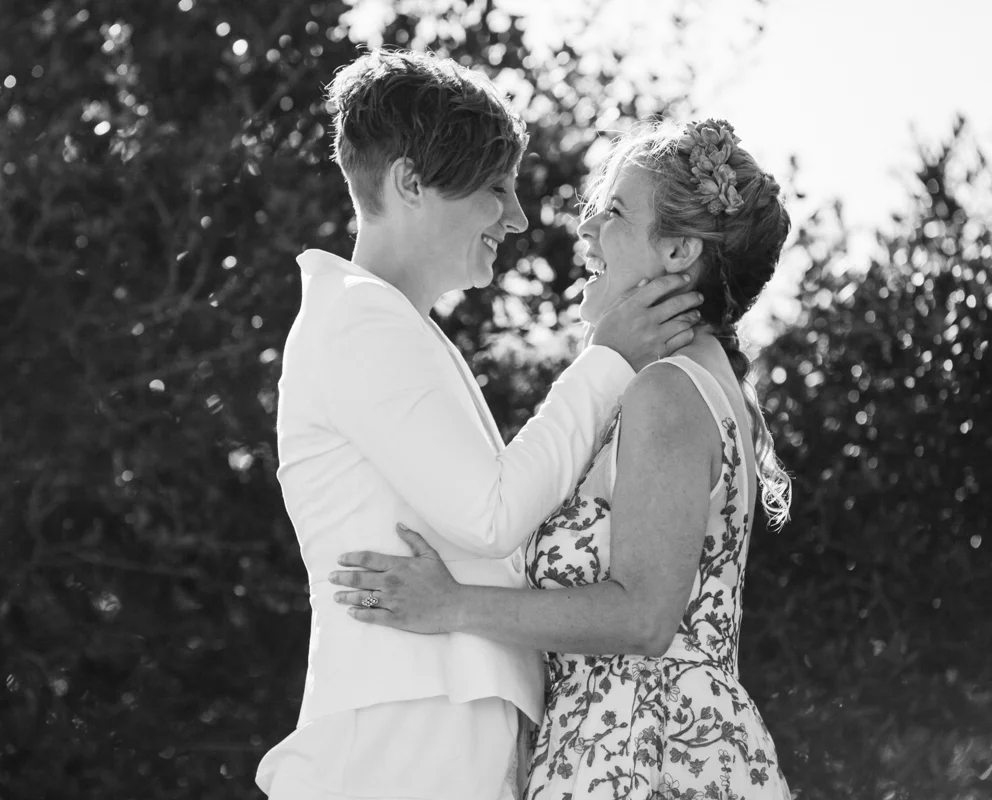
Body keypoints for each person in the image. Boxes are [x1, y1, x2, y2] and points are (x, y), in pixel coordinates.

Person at [256, 50, 702, 800]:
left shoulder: (393, 328)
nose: (519, 217)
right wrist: (607, 362)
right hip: (405, 732)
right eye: (496, 188)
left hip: (438, 726)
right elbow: (489, 515)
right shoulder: (359, 323)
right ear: (411, 183)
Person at [330, 118, 794, 799]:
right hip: (630, 742)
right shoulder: (691, 380)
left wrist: (451, 604)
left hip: (643, 750)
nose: (586, 231)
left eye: (613, 213)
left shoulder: (669, 391)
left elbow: (642, 617)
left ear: (676, 250)